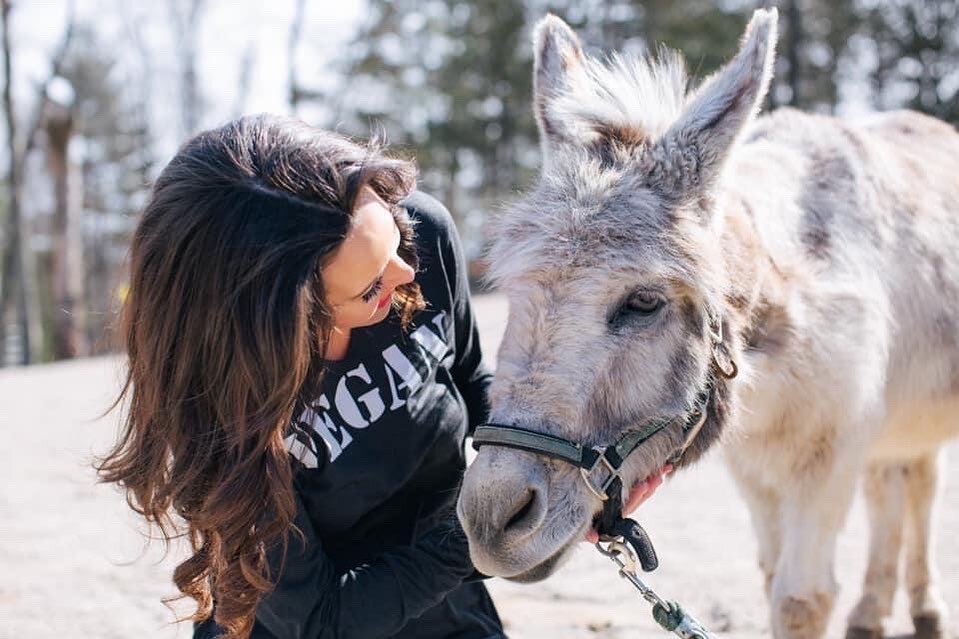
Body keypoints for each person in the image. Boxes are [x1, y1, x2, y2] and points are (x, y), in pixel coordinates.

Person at [97, 114, 504, 638]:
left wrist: (551, 465)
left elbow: (470, 376)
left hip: (447, 600)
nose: (405, 274)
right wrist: (479, 534)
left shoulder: (422, 237)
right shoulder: (221, 416)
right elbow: (320, 621)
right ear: (283, 319)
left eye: (394, 237)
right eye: (368, 289)